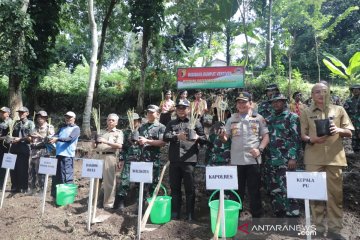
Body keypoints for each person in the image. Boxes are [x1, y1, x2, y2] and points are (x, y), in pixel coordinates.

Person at [300, 83, 353, 239]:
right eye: (317, 92)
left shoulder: (339, 110)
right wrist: (312, 139)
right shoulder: (306, 112)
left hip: (334, 158)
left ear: (329, 93)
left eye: (324, 92)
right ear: (312, 94)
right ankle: (316, 228)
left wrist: (339, 130)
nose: (321, 94)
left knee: (335, 196)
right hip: (313, 158)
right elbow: (303, 135)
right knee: (314, 194)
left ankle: (335, 230)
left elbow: (349, 132)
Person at [219, 92, 269, 218]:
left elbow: (266, 137)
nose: (241, 104)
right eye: (239, 102)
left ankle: (257, 217)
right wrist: (221, 135)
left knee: (254, 190)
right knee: (236, 191)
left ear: (250, 103)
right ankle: (235, 216)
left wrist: (260, 149)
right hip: (236, 161)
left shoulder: (258, 118)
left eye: (244, 102)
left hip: (253, 160)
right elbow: (225, 138)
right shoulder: (231, 119)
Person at [163, 100, 207, 221]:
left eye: (184, 108)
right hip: (175, 160)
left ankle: (190, 214)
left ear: (189, 109)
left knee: (190, 189)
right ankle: (175, 213)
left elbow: (204, 139)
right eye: (179, 108)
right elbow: (165, 137)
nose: (181, 110)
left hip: (189, 160)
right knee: (175, 188)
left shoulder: (196, 122)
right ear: (176, 110)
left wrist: (198, 137)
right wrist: (177, 136)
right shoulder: (171, 123)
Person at [266, 94, 301, 218]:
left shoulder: (292, 117)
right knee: (275, 188)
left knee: (289, 187)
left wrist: (293, 157)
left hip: (286, 159)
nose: (275, 104)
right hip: (271, 159)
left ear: (284, 102)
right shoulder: (269, 119)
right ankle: (279, 214)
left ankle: (293, 215)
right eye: (273, 102)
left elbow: (295, 138)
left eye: (278, 101)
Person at [93, 113, 123, 209]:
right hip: (97, 156)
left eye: (113, 120)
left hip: (109, 158)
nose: (110, 121)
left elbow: (119, 145)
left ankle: (108, 204)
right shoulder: (101, 132)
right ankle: (93, 202)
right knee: (95, 180)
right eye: (109, 119)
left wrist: (106, 142)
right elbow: (94, 146)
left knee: (109, 182)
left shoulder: (118, 132)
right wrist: (94, 143)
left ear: (116, 123)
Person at [49, 111, 80, 202]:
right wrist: (50, 136)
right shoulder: (62, 128)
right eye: (66, 117)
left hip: (67, 156)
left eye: (70, 117)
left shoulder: (76, 128)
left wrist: (57, 139)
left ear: (74, 119)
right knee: (57, 177)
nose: (68, 119)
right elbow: (55, 136)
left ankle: (66, 200)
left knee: (66, 177)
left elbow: (69, 139)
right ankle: (56, 198)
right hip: (58, 155)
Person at [115, 112, 142, 209]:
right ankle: (120, 203)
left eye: (134, 120)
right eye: (131, 120)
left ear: (138, 121)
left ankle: (139, 204)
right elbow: (123, 148)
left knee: (141, 181)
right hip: (129, 159)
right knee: (124, 181)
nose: (133, 122)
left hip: (141, 160)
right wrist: (121, 159)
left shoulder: (143, 130)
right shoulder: (126, 132)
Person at [28, 110, 55, 195]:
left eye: (42, 117)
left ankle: (42, 190)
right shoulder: (35, 127)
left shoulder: (49, 127)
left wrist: (39, 136)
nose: (39, 118)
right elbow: (30, 137)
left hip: (43, 151)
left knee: (41, 172)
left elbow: (49, 139)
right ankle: (32, 189)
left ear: (46, 118)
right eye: (38, 117)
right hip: (33, 150)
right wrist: (30, 138)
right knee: (31, 171)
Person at [10, 106, 35, 194]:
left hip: (24, 149)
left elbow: (31, 137)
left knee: (22, 168)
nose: (20, 114)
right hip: (14, 148)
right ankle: (15, 186)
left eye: (22, 112)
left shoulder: (30, 123)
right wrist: (11, 139)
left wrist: (20, 139)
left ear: (27, 113)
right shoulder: (16, 123)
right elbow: (12, 134)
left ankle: (23, 187)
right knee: (13, 168)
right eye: (19, 112)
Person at [343, 84, 360, 153]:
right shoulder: (349, 101)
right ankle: (356, 151)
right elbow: (344, 111)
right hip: (353, 121)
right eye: (354, 89)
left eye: (357, 89)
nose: (355, 91)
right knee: (355, 137)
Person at [0, 107, 13, 190]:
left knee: (4, 166)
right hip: (1, 146)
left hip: (7, 147)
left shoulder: (11, 122)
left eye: (3, 112)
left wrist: (2, 138)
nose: (1, 113)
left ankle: (2, 184)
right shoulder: (1, 122)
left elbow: (10, 137)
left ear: (8, 113)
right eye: (1, 112)